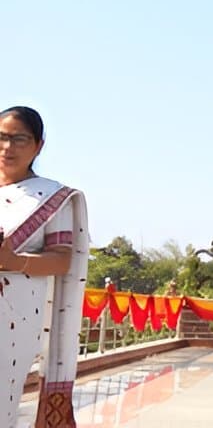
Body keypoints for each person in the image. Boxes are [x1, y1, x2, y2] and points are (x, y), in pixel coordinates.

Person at [0, 105, 89, 428]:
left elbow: (62, 259)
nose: (7, 147)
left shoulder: (51, 199)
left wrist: (14, 261)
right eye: (1, 137)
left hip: (13, 317)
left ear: (38, 145)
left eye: (19, 139)